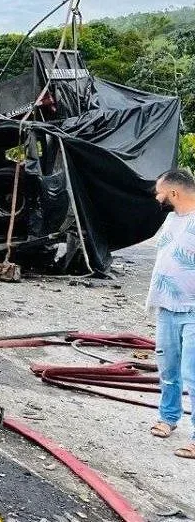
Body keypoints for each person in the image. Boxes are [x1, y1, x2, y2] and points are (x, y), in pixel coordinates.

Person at [148, 169, 195, 460]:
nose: (157, 196)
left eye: (160, 191)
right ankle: (167, 418)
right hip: (167, 307)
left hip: (193, 309)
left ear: (174, 193)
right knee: (168, 369)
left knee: (193, 374)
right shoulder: (170, 220)